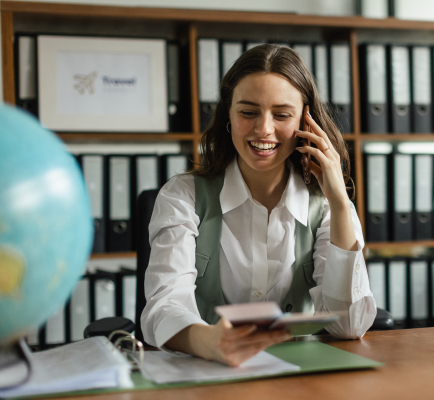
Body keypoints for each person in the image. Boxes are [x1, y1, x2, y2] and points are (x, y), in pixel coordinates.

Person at [141, 44, 376, 366]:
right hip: (206, 371)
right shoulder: (183, 196)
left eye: (282, 115)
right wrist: (208, 341)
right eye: (248, 112)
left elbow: (348, 326)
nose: (264, 129)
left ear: (305, 123)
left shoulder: (326, 208)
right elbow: (163, 306)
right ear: (228, 114)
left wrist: (339, 202)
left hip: (300, 378)